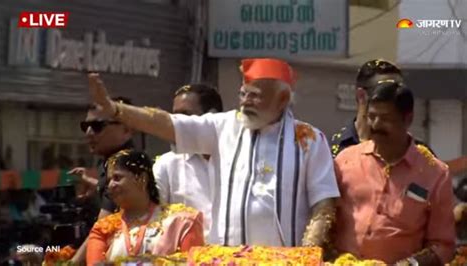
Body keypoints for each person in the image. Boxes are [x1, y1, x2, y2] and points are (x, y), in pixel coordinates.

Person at [88, 58, 340, 248]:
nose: (245, 102)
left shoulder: (309, 139)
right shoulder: (223, 127)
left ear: (282, 98)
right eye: (243, 94)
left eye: (255, 96)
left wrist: (307, 255)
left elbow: (324, 203)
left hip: (284, 261)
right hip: (224, 259)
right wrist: (116, 110)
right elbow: (167, 123)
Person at [334, 81, 456, 265]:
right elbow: (322, 215)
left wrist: (410, 264)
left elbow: (443, 246)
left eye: (385, 118)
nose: (375, 125)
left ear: (408, 119)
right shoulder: (345, 160)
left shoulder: (435, 174)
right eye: (371, 116)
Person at [330, 59, 467, 176]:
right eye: (386, 89)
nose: (396, 95)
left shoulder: (419, 153)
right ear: (361, 96)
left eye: (400, 89)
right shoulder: (333, 152)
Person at [86, 150, 204, 265]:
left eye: (117, 178)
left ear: (142, 178)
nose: (111, 186)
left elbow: (194, 262)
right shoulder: (102, 229)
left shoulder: (182, 223)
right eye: (108, 181)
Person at [153, 84, 223, 241]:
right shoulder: (167, 164)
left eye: (184, 115)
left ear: (212, 117)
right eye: (173, 116)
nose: (176, 123)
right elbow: (150, 213)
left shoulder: (239, 159)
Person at [69, 97, 135, 263]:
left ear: (126, 129)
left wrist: (70, 263)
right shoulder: (107, 160)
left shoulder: (125, 164)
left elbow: (102, 229)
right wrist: (96, 186)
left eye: (97, 126)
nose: (89, 132)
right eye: (85, 126)